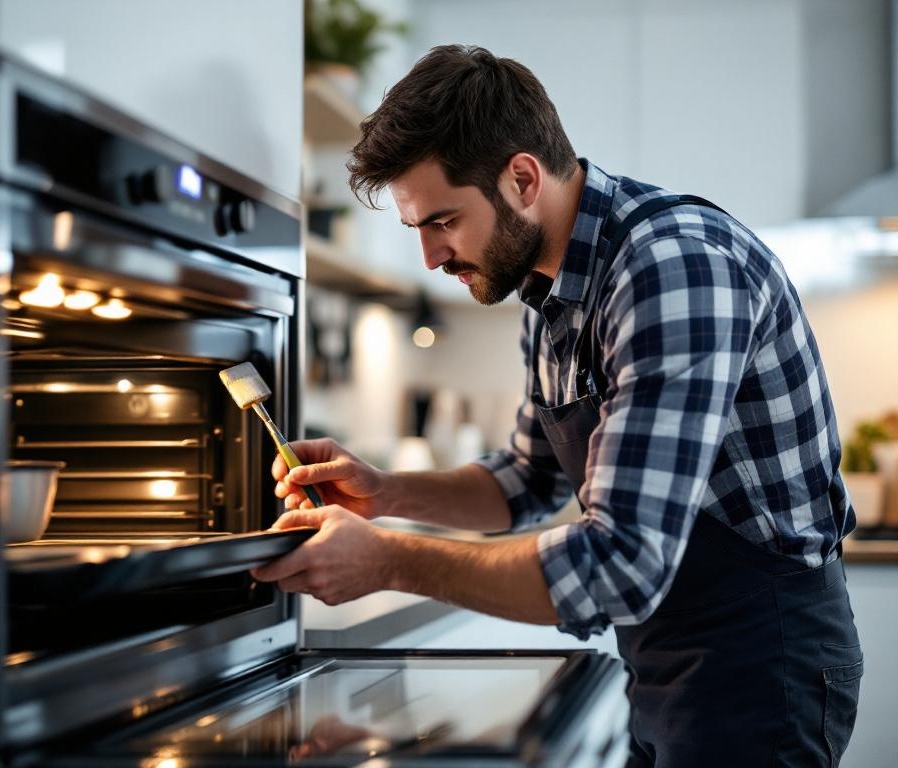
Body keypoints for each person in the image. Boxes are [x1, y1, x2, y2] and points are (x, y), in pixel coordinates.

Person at [251, 44, 862, 767]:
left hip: (763, 664)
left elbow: (624, 562)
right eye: (417, 230)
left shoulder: (673, 267)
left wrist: (389, 562)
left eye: (442, 221)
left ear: (521, 178)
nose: (430, 257)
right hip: (663, 660)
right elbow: (525, 480)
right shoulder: (548, 295)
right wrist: (385, 493)